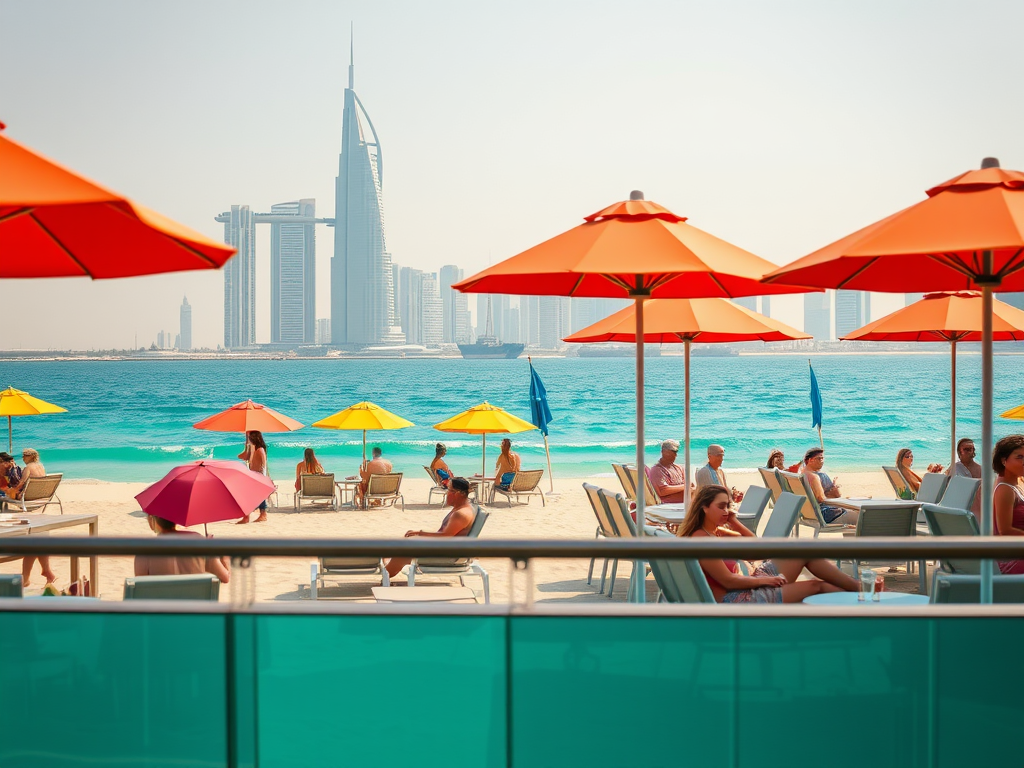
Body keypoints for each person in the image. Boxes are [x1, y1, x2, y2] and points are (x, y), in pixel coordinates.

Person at [676, 484, 859, 602]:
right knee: (816, 586)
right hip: (737, 599)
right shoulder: (702, 539)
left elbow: (758, 549)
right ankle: (863, 597)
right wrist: (768, 581)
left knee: (804, 549)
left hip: (749, 581)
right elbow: (728, 581)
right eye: (721, 506)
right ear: (704, 507)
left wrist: (734, 522)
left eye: (728, 506)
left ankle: (859, 591)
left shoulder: (715, 532)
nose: (726, 510)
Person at [385, 476, 478, 579]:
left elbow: (445, 536)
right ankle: (388, 566)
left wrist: (420, 533)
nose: (446, 493)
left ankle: (385, 575)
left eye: (448, 490)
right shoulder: (461, 509)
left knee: (404, 551)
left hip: (447, 555)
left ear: (458, 493)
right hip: (445, 548)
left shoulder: (461, 514)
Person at [135, 514, 231, 583]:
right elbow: (225, 577)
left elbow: (141, 586)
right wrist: (224, 557)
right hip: (194, 608)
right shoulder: (199, 541)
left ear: (152, 520)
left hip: (161, 609)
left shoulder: (145, 549)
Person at [11, 449, 57, 587]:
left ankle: (28, 578)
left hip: (28, 501)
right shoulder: (41, 466)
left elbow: (21, 484)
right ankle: (44, 573)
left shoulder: (27, 468)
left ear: (30, 456)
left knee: (32, 543)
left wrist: (12, 490)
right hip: (41, 500)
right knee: (36, 540)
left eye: (24, 455)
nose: (23, 457)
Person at [991, 434, 1024, 574]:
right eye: (1020, 457)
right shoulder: (1005, 488)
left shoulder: (1016, 482)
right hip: (1012, 556)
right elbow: (1005, 530)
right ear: (1004, 460)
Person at [799, 447, 856, 525]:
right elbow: (822, 498)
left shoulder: (800, 475)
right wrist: (833, 489)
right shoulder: (815, 476)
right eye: (819, 459)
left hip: (808, 515)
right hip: (824, 515)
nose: (822, 461)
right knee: (861, 515)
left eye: (822, 458)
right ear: (809, 460)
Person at [947, 438, 983, 518]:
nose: (970, 452)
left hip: (976, 504)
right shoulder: (955, 467)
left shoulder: (980, 469)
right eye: (966, 449)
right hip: (958, 501)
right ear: (960, 452)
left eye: (972, 449)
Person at [238, 431, 269, 524]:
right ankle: (259, 514)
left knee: (249, 497)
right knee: (253, 497)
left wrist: (261, 478)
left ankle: (251, 516)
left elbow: (263, 465)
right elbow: (244, 457)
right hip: (252, 475)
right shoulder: (252, 448)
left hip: (258, 476)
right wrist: (246, 445)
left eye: (250, 438)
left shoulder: (260, 450)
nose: (249, 439)